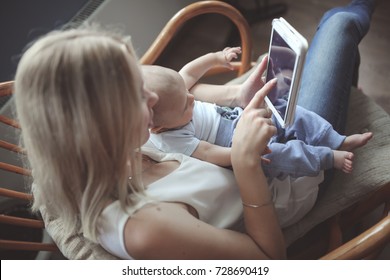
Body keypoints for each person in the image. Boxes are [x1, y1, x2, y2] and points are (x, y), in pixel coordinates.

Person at [13, 0, 374, 259]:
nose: (151, 95)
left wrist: (233, 94)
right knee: (339, 25)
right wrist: (246, 164)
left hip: (255, 154)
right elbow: (266, 260)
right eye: (139, 96)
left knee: (320, 54)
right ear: (105, 126)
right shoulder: (146, 229)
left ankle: (346, 84)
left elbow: (181, 95)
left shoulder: (113, 153)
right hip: (293, 178)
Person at [143, 50, 372, 179]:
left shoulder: (173, 94)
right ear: (157, 127)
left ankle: (336, 139)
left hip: (238, 115)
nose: (192, 97)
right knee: (279, 155)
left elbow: (189, 71)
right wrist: (245, 151)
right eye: (185, 105)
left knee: (287, 110)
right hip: (234, 141)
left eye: (186, 92)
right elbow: (209, 152)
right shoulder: (172, 140)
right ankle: (328, 158)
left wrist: (217, 58)